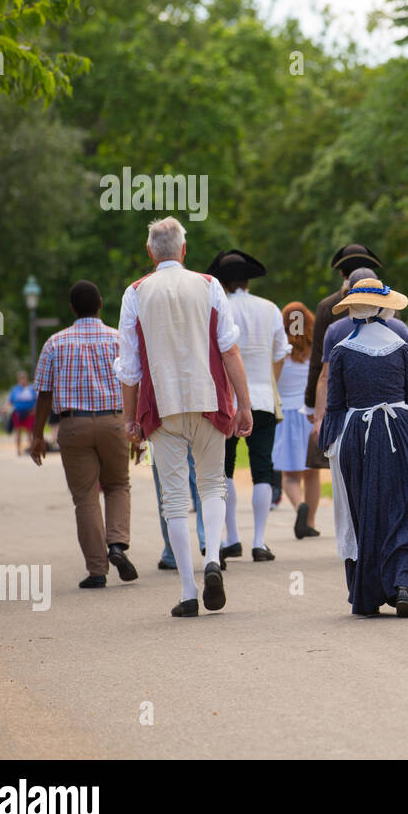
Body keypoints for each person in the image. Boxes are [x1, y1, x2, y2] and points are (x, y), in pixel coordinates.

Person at [115, 216, 254, 618]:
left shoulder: (135, 293)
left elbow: (130, 365)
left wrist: (130, 419)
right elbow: (229, 349)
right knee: (212, 487)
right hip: (209, 398)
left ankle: (189, 590)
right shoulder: (209, 286)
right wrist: (243, 404)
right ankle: (212, 556)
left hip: (162, 407)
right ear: (184, 250)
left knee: (173, 499)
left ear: (149, 253)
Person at [317, 278, 408, 617]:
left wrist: (330, 445)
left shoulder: (342, 350)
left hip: (360, 438)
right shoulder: (400, 344)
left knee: (370, 511)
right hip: (404, 431)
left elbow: (335, 407)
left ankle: (376, 587)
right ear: (381, 308)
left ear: (353, 311)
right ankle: (407, 582)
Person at [28, 280, 136, 588]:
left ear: (72, 308)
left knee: (85, 496)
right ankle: (117, 544)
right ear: (100, 303)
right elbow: (134, 384)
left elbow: (44, 394)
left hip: (73, 426)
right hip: (114, 421)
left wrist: (37, 436)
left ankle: (97, 571)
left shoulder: (55, 343)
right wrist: (136, 427)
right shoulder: (118, 339)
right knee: (117, 485)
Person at [206, 250, 290, 563]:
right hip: (264, 400)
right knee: (262, 467)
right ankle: (259, 541)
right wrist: (270, 383)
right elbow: (281, 353)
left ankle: (232, 538)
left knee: (224, 467)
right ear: (248, 280)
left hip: (227, 399)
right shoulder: (270, 308)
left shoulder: (218, 306)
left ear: (224, 283)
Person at [303, 243, 386, 474]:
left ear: (342, 273)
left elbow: (319, 361)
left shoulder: (327, 307)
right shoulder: (389, 307)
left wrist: (311, 402)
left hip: (340, 397)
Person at [272, 301, 320, 539]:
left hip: (287, 416)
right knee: (312, 473)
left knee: (290, 476)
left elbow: (274, 380)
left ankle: (299, 505)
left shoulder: (281, 351)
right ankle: (309, 522)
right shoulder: (316, 351)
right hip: (310, 415)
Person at [151, 447, 207, 570]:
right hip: (198, 430)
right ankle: (209, 541)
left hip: (161, 432)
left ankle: (172, 553)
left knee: (167, 491)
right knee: (204, 482)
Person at [8, 370, 38, 456]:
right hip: (18, 413)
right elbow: (10, 401)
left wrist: (34, 410)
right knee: (18, 432)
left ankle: (31, 449)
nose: (22, 381)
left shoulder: (31, 388)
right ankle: (18, 449)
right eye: (21, 379)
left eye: (24, 379)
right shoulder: (15, 389)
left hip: (29, 413)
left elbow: (37, 400)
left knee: (29, 432)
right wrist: (5, 408)